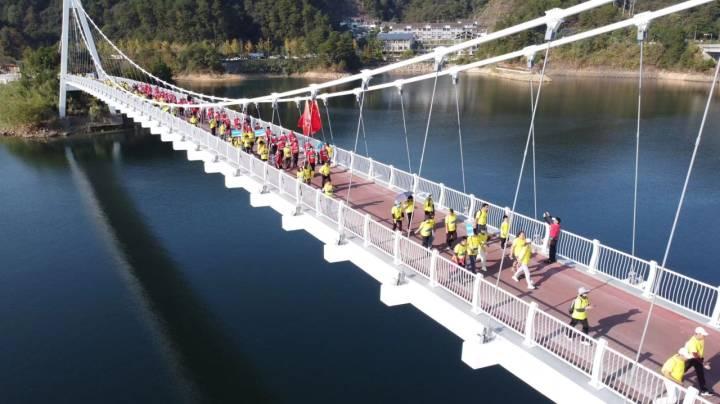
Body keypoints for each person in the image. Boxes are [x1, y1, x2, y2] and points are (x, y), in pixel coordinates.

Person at [684, 327, 712, 396]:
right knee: (682, 369)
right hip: (691, 358)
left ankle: (704, 390)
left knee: (700, 374)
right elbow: (695, 354)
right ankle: (672, 375)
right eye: (703, 335)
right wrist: (703, 363)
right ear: (698, 334)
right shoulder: (692, 342)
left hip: (698, 358)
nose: (704, 336)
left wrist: (702, 360)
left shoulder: (701, 338)